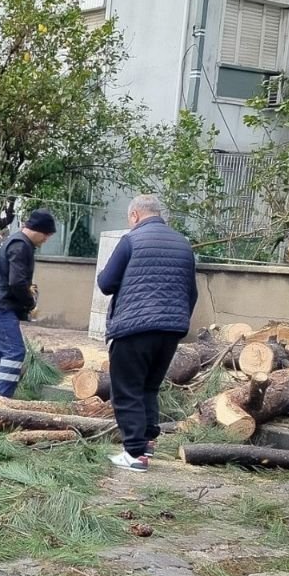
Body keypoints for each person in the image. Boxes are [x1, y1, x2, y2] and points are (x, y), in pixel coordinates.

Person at [98, 195, 197, 473]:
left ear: (134, 216)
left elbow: (106, 284)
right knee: (148, 387)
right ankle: (148, 442)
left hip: (133, 327)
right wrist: (177, 321)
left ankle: (134, 454)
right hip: (171, 329)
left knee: (126, 389)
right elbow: (192, 292)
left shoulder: (131, 240)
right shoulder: (183, 244)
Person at [0, 209, 57, 398]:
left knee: (0, 354)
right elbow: (17, 283)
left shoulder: (17, 242)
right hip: (0, 308)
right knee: (15, 353)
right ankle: (1, 401)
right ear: (37, 229)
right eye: (46, 234)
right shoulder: (21, 246)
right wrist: (30, 304)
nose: (46, 239)